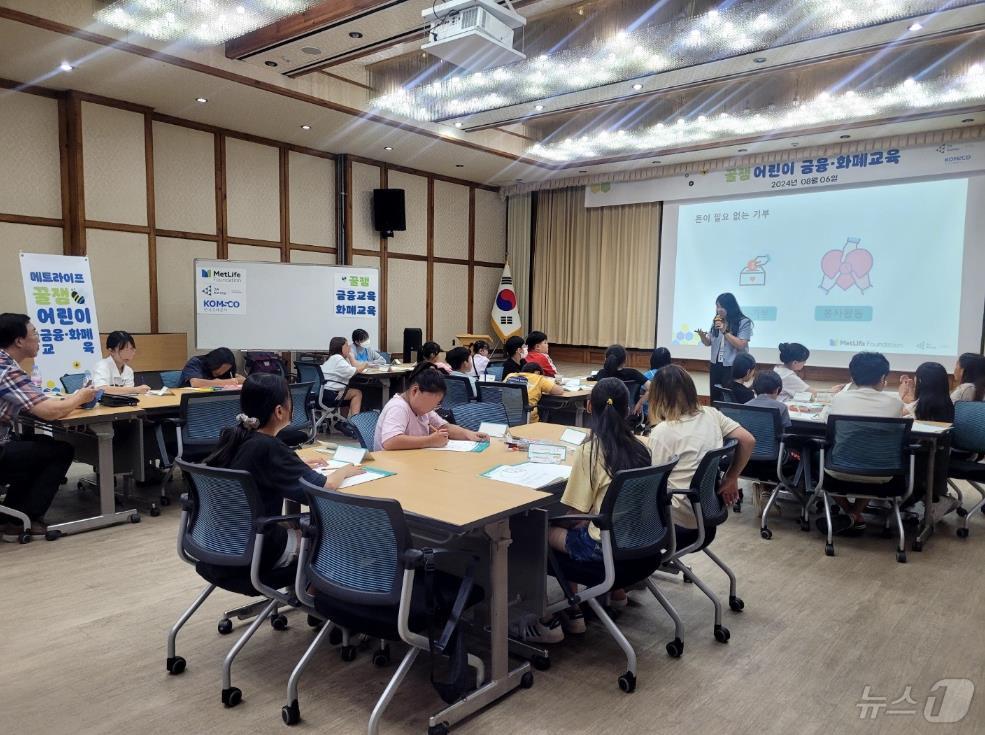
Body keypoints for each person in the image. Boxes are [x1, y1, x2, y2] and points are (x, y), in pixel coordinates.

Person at [205, 373, 362, 571]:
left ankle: (303, 590)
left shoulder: (235, 436)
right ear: (279, 411)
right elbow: (326, 486)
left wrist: (295, 462)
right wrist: (346, 469)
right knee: (338, 535)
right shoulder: (270, 448)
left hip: (221, 540)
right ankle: (313, 594)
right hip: (258, 548)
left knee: (304, 526)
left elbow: (260, 465)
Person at [544, 378, 651, 637]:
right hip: (641, 542)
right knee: (597, 519)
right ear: (627, 410)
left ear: (590, 407)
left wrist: (572, 520)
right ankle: (617, 593)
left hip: (601, 549)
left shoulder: (590, 452)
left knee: (540, 528)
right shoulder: (643, 446)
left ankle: (573, 611)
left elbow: (576, 515)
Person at [0, 313, 94, 540]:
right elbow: (48, 412)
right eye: (35, 334)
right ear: (19, 341)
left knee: (41, 444)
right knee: (60, 451)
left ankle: (12, 516)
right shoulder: (7, 370)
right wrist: (80, 397)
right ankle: (26, 518)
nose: (39, 339)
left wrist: (63, 404)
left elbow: (33, 404)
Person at [646, 365, 755, 542]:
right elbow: (747, 440)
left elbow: (653, 486)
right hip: (708, 512)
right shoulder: (711, 414)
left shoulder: (663, 432)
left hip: (678, 521)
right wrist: (732, 477)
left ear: (658, 397)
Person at [819, 352, 905, 534]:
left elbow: (823, 421)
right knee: (869, 455)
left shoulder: (839, 399)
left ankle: (850, 513)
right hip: (882, 474)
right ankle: (854, 514)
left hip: (838, 471)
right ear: (883, 378)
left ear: (852, 376)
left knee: (812, 457)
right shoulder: (895, 404)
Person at [373, 363, 487, 450]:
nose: (433, 408)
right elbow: (390, 441)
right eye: (431, 403)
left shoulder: (422, 409)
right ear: (415, 391)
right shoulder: (398, 407)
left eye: (436, 404)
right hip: (392, 466)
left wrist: (469, 434)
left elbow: (444, 427)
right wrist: (429, 441)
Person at [694, 292, 753, 392]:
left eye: (722, 307)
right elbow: (708, 342)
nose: (719, 310)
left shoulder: (743, 322)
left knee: (729, 397)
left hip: (733, 366)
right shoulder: (717, 320)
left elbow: (741, 345)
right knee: (715, 395)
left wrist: (724, 331)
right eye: (717, 306)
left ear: (730, 307)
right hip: (716, 364)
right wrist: (702, 336)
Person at [587, 344, 647, 414]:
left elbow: (595, 394)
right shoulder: (633, 373)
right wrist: (640, 403)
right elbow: (653, 388)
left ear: (606, 359)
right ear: (625, 360)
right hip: (629, 414)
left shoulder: (601, 374)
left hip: (605, 417)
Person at [91, 330, 151, 395]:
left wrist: (133, 391)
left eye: (131, 349)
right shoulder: (101, 366)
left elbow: (128, 393)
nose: (128, 354)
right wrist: (136, 389)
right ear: (111, 351)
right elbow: (101, 389)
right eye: (124, 350)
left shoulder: (128, 370)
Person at [321, 337, 365, 416]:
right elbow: (353, 371)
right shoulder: (338, 359)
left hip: (322, 393)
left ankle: (343, 422)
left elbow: (351, 368)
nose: (349, 347)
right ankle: (355, 423)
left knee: (346, 390)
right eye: (347, 346)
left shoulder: (331, 359)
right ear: (340, 347)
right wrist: (366, 365)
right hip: (331, 395)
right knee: (357, 393)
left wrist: (349, 357)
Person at [179, 347, 245, 388]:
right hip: (189, 399)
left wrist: (236, 380)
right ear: (214, 362)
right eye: (220, 367)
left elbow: (241, 379)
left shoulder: (223, 372)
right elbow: (195, 383)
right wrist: (227, 382)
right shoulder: (196, 362)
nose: (221, 372)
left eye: (225, 370)